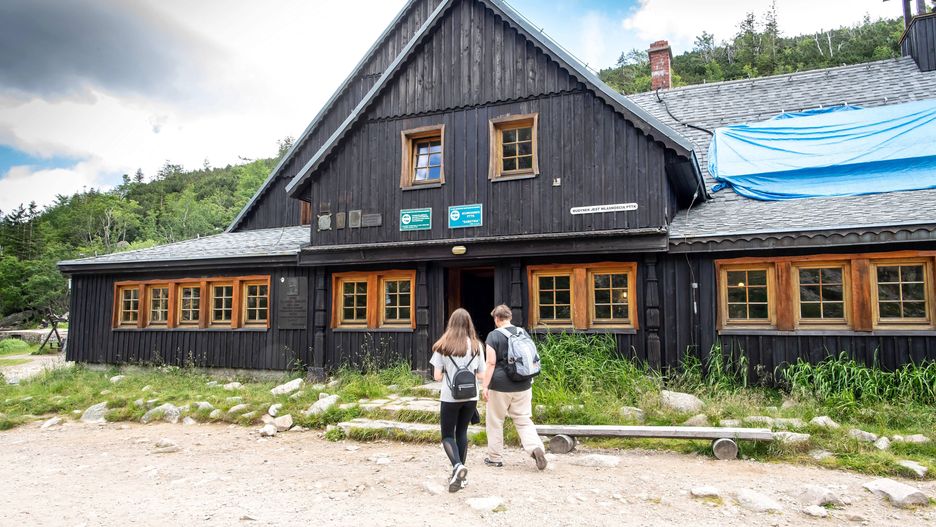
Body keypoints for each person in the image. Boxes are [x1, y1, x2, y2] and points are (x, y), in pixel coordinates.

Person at [480, 304, 547, 470]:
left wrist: (485, 386)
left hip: (500, 386)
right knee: (523, 420)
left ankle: (495, 458)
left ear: (497, 319)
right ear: (510, 317)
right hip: (523, 383)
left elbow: (490, 363)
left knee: (495, 421)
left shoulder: (493, 335)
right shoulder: (522, 332)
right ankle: (535, 447)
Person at [430, 308, 486, 492]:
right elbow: (481, 375)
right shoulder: (477, 346)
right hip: (471, 397)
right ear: (469, 324)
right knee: (462, 432)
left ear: (451, 324)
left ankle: (457, 466)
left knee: (447, 435)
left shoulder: (443, 345)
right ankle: (461, 478)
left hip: (449, 396)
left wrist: (451, 371)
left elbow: (437, 376)